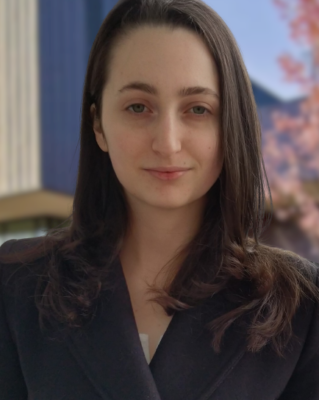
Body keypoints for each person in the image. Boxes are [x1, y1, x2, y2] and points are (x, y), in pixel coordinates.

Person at [1, 0, 319, 399]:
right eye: (138, 107)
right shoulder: (16, 285)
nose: (167, 143)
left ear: (230, 125)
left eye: (198, 109)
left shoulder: (300, 304)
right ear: (98, 124)